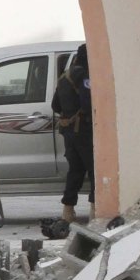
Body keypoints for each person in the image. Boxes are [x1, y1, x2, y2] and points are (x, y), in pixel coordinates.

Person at [53, 44, 94, 223]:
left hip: (68, 132)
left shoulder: (65, 76)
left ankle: (68, 211)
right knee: (94, 171)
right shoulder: (84, 76)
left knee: (75, 171)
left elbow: (55, 106)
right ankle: (96, 211)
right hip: (84, 131)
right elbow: (87, 104)